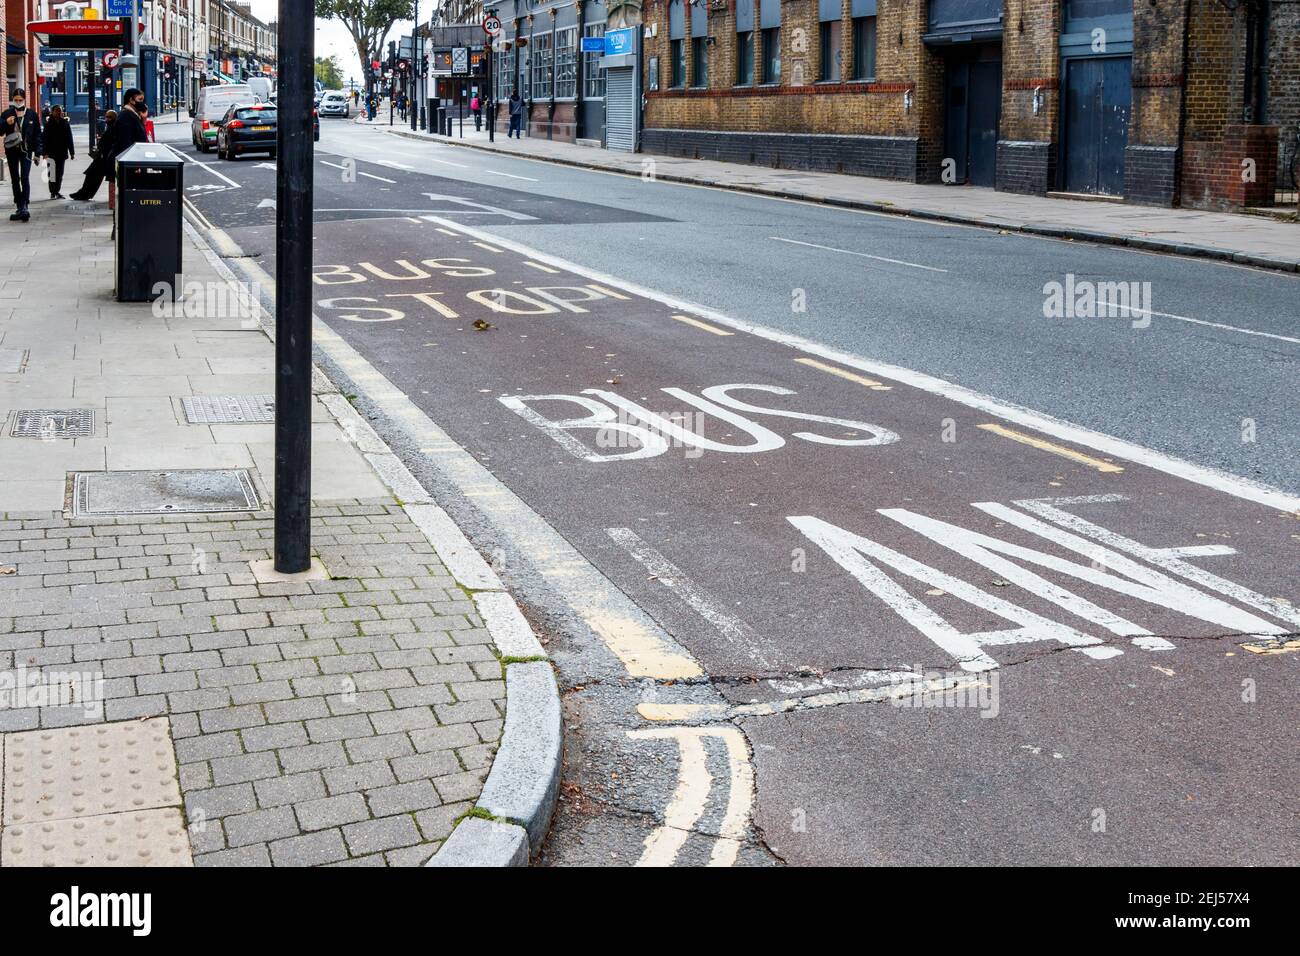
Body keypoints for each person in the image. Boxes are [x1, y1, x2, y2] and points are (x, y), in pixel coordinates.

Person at [3, 89, 44, 222]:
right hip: (11, 151)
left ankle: (25, 205)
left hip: (26, 151)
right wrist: (5, 123)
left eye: (21, 100)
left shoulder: (31, 114)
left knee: (24, 177)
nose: (18, 102)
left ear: (24, 100)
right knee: (15, 178)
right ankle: (19, 205)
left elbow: (38, 134)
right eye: (16, 100)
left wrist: (38, 153)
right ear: (13, 99)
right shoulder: (7, 113)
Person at [43, 104, 74, 199]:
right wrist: (44, 153)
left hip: (61, 152)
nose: (59, 112)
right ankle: (53, 192)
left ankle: (57, 191)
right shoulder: (48, 124)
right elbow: (44, 139)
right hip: (51, 153)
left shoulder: (65, 123)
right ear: (52, 112)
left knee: (60, 173)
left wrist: (72, 152)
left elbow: (69, 138)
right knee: (52, 174)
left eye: (60, 110)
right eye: (57, 110)